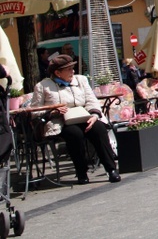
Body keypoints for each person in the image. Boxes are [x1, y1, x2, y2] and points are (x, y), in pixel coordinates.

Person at [31, 54, 120, 185]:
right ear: (57, 72)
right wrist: (52, 111)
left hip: (84, 117)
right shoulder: (42, 86)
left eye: (73, 68)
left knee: (99, 129)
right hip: (60, 122)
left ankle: (111, 169)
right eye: (69, 69)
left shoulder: (81, 80)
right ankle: (81, 172)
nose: (73, 71)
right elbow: (35, 111)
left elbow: (91, 100)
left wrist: (94, 116)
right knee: (75, 134)